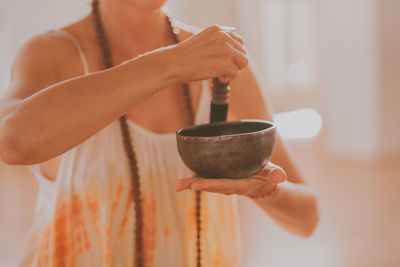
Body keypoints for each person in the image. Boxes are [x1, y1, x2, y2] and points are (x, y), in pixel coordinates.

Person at [0, 0, 319, 266]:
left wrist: (261, 189)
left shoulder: (219, 58)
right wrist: (169, 63)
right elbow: (11, 142)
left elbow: (307, 217)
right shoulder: (51, 53)